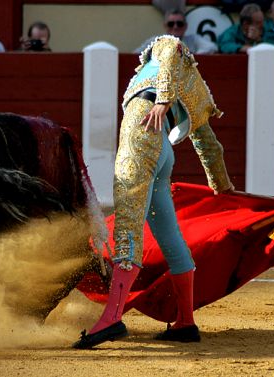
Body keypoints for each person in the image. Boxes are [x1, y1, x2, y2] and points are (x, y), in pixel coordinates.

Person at [73, 35, 234, 349]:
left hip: (142, 128)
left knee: (129, 225)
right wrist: (223, 187)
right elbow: (210, 148)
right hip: (163, 150)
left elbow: (172, 49)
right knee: (169, 235)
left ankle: (112, 319)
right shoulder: (199, 92)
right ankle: (185, 322)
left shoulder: (163, 50)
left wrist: (161, 100)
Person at [135, 9, 218, 54]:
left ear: (185, 26)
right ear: (165, 26)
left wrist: (191, 57)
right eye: (171, 24)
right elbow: (135, 55)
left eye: (179, 23)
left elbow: (212, 47)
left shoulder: (193, 40)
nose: (175, 27)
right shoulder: (156, 41)